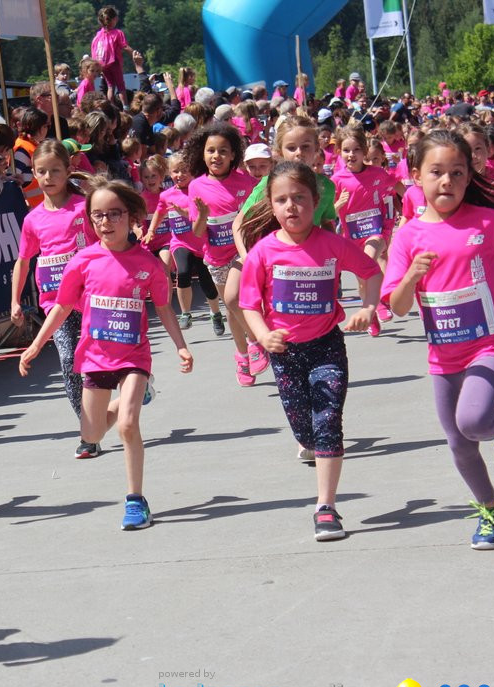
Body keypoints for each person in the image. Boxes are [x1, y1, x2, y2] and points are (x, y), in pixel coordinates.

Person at [382, 130, 494, 550]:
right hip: (443, 351)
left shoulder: (488, 222)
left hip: (490, 342)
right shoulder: (408, 237)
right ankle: (491, 509)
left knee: (474, 421)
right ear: (415, 177)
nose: (446, 181)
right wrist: (411, 275)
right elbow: (399, 305)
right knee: (459, 443)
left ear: (469, 178)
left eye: (457, 173)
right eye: (436, 172)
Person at [19, 177, 192, 530]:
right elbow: (62, 306)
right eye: (98, 215)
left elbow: (164, 309)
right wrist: (36, 344)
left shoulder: (147, 264)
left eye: (114, 214)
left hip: (133, 356)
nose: (105, 222)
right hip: (95, 357)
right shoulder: (82, 262)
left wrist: (181, 346)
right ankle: (134, 397)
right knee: (93, 434)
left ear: (131, 217)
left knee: (128, 426)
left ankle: (136, 500)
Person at [239, 162, 382, 540]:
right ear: (271, 206)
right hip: (284, 354)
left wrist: (368, 308)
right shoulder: (263, 252)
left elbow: (371, 272)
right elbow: (248, 305)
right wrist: (264, 335)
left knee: (328, 421)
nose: (291, 207)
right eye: (282, 200)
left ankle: (326, 507)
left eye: (299, 198)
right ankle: (308, 445)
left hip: (326, 347)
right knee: (305, 430)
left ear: (316, 202)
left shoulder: (332, 244)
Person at [10, 141, 97, 442]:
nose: (48, 177)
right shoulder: (33, 219)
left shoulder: (83, 206)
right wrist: (15, 300)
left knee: (106, 355)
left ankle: (137, 380)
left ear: (69, 170)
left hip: (91, 297)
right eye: (41, 171)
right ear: (33, 173)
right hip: (55, 302)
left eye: (55, 170)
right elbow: (23, 261)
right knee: (68, 362)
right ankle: (88, 432)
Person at [186, 122, 262, 386]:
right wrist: (204, 216)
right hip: (215, 257)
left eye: (222, 151)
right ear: (203, 154)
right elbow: (197, 233)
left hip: (243, 252)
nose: (216, 156)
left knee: (236, 298)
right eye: (210, 151)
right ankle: (242, 357)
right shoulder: (196, 186)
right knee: (231, 307)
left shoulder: (248, 183)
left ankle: (255, 342)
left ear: (233, 156)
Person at [330, 125, 404, 333]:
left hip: (376, 231)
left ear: (364, 152)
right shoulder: (337, 181)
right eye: (346, 150)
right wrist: (338, 206)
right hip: (351, 237)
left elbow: (400, 190)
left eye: (356, 150)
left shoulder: (377, 173)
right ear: (339, 153)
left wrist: (417, 205)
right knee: (362, 282)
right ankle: (369, 313)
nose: (351, 155)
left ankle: (379, 303)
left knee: (369, 260)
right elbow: (328, 214)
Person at [148, 151, 221, 331]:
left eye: (184, 170)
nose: (179, 175)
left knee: (207, 282)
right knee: (183, 272)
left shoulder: (197, 190)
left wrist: (186, 214)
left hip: (202, 244)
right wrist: (151, 230)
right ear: (169, 173)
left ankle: (216, 313)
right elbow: (159, 212)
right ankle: (185, 313)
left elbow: (204, 215)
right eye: (175, 171)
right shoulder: (166, 195)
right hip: (180, 243)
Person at [91, 5, 137, 107]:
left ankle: (111, 106)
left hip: (103, 64)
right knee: (121, 86)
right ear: (115, 19)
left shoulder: (98, 34)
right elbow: (124, 46)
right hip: (114, 62)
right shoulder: (117, 33)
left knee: (110, 86)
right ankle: (125, 107)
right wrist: (134, 53)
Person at [13, 108, 49, 208]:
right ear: (39, 127)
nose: (47, 130)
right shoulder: (22, 149)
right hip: (30, 207)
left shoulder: (32, 146)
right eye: (46, 126)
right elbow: (13, 178)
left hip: (39, 205)